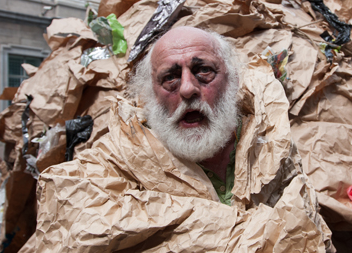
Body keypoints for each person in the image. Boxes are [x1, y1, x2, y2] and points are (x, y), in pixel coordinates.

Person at [29, 27, 334, 252]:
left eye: (203, 71)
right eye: (170, 77)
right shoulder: (117, 156)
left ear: (231, 81)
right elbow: (66, 214)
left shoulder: (269, 139)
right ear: (150, 92)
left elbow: (310, 226)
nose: (187, 89)